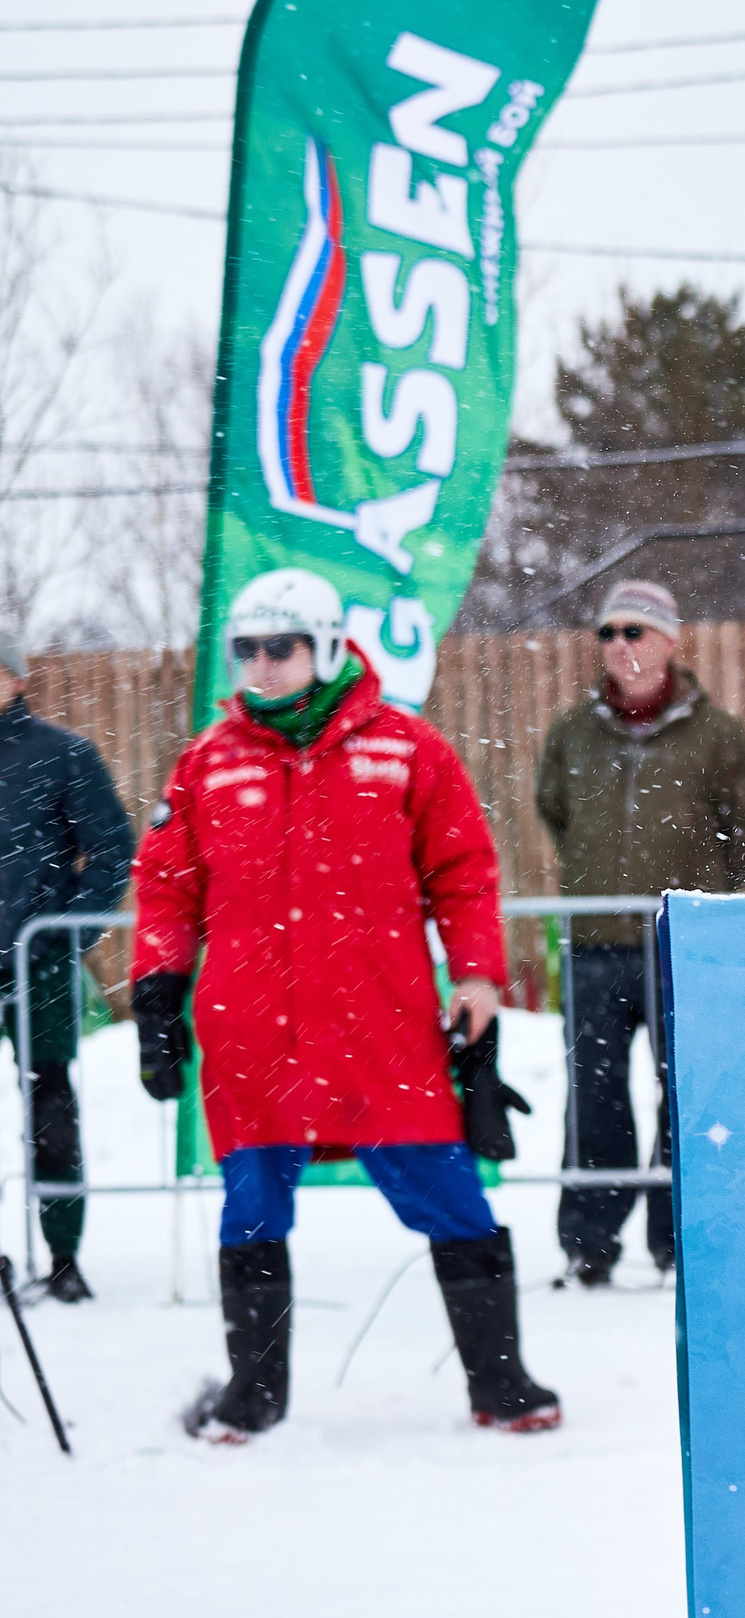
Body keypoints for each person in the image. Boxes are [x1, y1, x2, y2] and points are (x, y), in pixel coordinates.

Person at [132, 569, 558, 1441]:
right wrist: (155, 994)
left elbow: (464, 872)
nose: (262, 664)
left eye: (280, 647)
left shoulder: (404, 747)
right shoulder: (207, 762)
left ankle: (502, 1383)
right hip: (253, 1039)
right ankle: (252, 1397)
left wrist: (476, 976)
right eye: (246, 649)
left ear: (325, 648)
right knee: (251, 1207)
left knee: (454, 1201)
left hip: (383, 1031)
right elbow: (168, 891)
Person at [536, 578, 745, 1287]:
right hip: (595, 941)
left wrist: (704, 904)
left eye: (634, 632)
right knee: (593, 1092)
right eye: (608, 633)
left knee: (686, 1093)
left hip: (679, 945)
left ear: (669, 641)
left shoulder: (718, 733)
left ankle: (681, 1241)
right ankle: (591, 1242)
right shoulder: (573, 731)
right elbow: (555, 811)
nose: (619, 647)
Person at [0, 628, 135, 1302]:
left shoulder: (62, 758)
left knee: (51, 1106)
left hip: (36, 964)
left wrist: (63, 933)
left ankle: (63, 1255)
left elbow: (112, 852)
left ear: (16, 679)